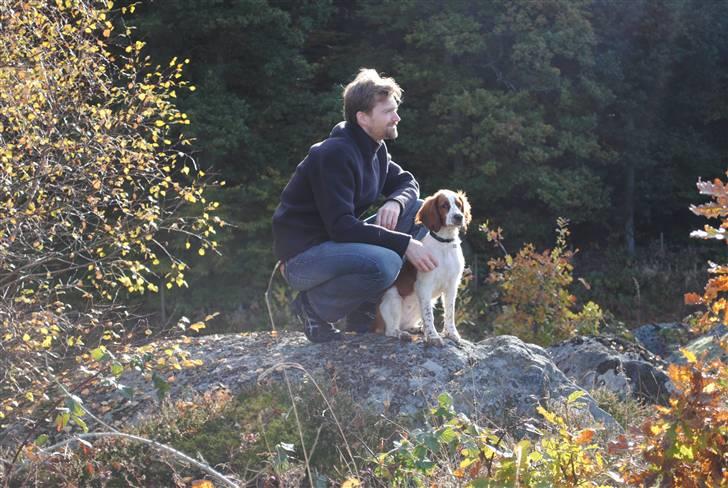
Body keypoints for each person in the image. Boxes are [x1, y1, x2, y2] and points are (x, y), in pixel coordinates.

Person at [272, 68, 437, 342]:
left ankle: (365, 311)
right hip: (303, 259)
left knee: (418, 210)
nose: (397, 117)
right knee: (386, 262)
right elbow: (342, 228)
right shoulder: (334, 155)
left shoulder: (375, 148)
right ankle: (312, 307)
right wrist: (405, 243)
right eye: (388, 112)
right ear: (363, 118)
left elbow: (408, 183)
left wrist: (395, 202)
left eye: (395, 110)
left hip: (336, 246)